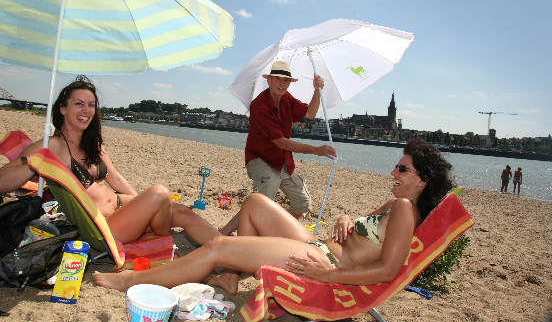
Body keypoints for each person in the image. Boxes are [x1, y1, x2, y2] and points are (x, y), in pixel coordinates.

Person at [93, 138, 451, 293]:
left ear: (422, 179)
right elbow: (362, 227)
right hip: (318, 245)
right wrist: (345, 218)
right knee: (253, 203)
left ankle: (130, 282)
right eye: (396, 166)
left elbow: (389, 269)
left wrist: (329, 276)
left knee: (218, 246)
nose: (393, 173)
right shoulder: (395, 205)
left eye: (402, 170)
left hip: (322, 260)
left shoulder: (406, 209)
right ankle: (232, 277)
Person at [0, 76, 218, 245]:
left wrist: (143, 207)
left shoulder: (92, 144)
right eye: (79, 103)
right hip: (102, 226)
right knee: (160, 194)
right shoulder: (52, 145)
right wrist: (34, 160)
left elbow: (116, 179)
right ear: (62, 108)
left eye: (91, 105)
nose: (86, 110)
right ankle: (160, 243)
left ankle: (227, 255)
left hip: (119, 206)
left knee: (179, 210)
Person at [220, 61, 336, 235]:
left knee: (302, 203)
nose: (282, 83)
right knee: (264, 195)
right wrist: (315, 150)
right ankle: (224, 232)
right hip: (259, 158)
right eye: (278, 79)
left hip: (282, 160)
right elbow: (280, 142)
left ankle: (276, 233)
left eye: (286, 80)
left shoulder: (287, 99)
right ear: (269, 80)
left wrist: (317, 91)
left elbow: (310, 114)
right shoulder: (259, 105)